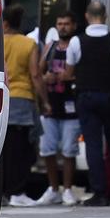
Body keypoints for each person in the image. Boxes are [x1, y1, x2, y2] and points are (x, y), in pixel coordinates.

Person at [66, 1, 110, 207]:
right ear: (106, 15)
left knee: (93, 145)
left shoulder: (76, 41)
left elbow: (69, 71)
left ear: (86, 16)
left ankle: (99, 192)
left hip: (87, 97)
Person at [30, 12, 80, 206]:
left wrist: (67, 78)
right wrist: (45, 79)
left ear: (74, 26)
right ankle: (53, 188)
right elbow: (38, 72)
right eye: (60, 24)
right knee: (47, 149)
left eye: (66, 24)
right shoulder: (50, 47)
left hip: (71, 107)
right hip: (50, 106)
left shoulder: (76, 46)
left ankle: (67, 189)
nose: (63, 27)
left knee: (69, 150)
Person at [1, 5, 39, 207]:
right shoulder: (28, 44)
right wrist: (44, 101)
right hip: (23, 98)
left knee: (4, 148)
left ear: (4, 23)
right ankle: (17, 191)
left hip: (1, 97)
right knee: (21, 149)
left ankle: (2, 191)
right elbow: (34, 74)